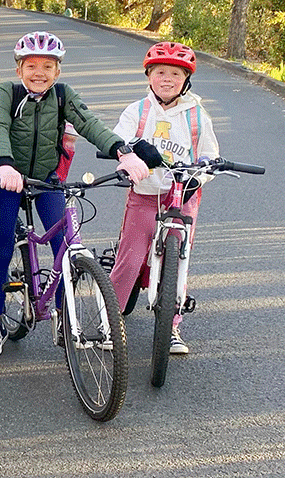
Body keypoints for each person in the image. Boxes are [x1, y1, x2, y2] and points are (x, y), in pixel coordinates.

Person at [0, 31, 157, 358]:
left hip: (47, 178)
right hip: (9, 178)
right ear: (19, 69)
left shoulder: (62, 95)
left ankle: (63, 313)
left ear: (57, 72)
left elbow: (90, 123)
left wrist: (123, 152)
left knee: (65, 247)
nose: (39, 73)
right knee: (3, 249)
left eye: (48, 66)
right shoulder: (7, 91)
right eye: (31, 65)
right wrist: (4, 165)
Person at [111, 42, 218, 354]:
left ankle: (172, 326)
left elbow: (210, 153)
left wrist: (205, 169)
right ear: (149, 76)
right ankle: (110, 319)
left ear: (186, 79)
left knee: (180, 257)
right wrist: (128, 157)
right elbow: (120, 140)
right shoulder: (138, 110)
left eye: (175, 73)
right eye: (160, 72)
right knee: (130, 257)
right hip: (145, 194)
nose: (167, 79)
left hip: (183, 196)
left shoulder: (198, 114)